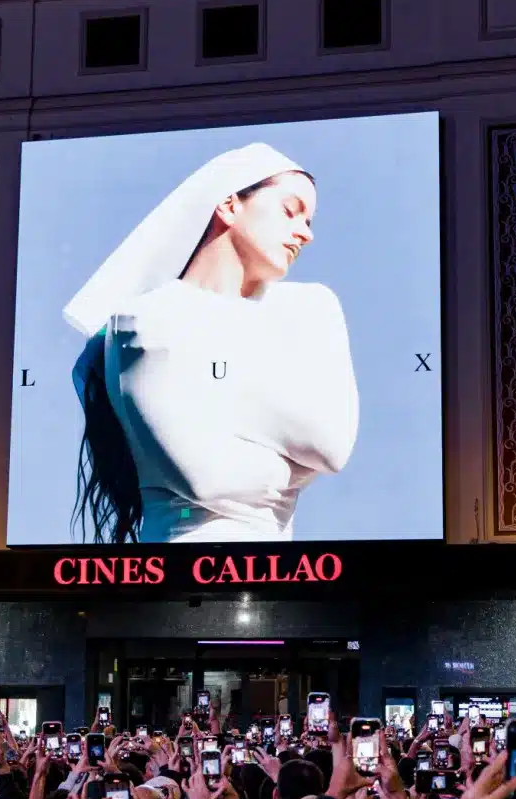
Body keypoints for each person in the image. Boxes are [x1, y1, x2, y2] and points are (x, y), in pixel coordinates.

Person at [65, 143, 357, 543]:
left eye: (310, 220)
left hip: (282, 576)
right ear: (229, 205)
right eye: (291, 211)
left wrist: (209, 395)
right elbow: (207, 479)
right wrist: (294, 468)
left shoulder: (309, 307)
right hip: (174, 576)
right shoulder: (144, 320)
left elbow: (330, 446)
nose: (306, 233)